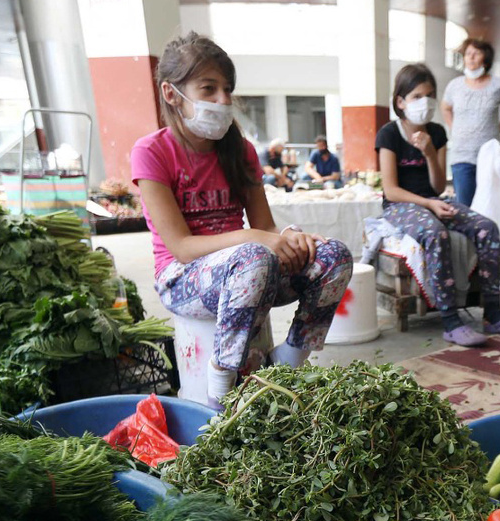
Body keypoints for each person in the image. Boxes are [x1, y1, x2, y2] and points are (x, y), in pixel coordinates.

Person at [132, 32, 352, 409]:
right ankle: (221, 389)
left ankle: (290, 360)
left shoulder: (241, 151)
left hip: (250, 271)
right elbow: (182, 248)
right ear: (172, 93)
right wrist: (255, 239)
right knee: (254, 256)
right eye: (209, 88)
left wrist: (290, 238)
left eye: (227, 89)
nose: (223, 100)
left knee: (333, 256)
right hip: (182, 279)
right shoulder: (151, 152)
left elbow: (265, 230)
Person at [379, 63, 500, 347]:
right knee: (435, 233)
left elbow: (436, 187)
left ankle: (493, 312)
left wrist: (431, 153)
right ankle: (450, 321)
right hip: (400, 205)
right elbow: (391, 190)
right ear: (400, 101)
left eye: (430, 95)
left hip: (432, 199)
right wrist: (428, 205)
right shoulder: (389, 133)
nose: (426, 102)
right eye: (417, 96)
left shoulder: (436, 132)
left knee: (486, 227)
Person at [440, 39, 500, 207]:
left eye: (476, 53)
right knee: (465, 206)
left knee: (489, 204)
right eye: (468, 54)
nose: (471, 57)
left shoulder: (498, 85)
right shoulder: (454, 86)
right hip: (462, 155)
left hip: (489, 156)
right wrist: (453, 128)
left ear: (486, 58)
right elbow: (445, 107)